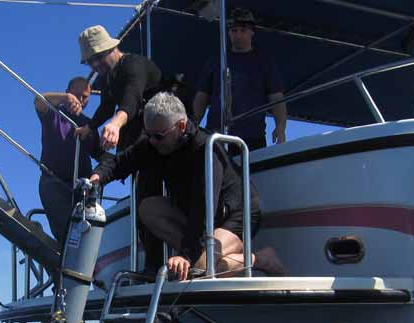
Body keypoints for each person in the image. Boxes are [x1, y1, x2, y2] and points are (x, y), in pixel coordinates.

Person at [89, 92, 284, 280]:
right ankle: (205, 256)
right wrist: (96, 177)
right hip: (197, 217)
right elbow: (120, 162)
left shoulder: (205, 149)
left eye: (158, 136)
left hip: (234, 214)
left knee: (201, 268)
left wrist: (187, 256)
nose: (153, 141)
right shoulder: (154, 142)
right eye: (148, 135)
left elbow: (203, 210)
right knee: (148, 208)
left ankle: (261, 259)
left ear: (181, 126)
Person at [193, 7, 287, 152]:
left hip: (252, 140)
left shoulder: (264, 62)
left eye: (243, 30)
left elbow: (276, 98)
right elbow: (202, 98)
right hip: (215, 138)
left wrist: (280, 127)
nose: (238, 35)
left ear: (252, 31)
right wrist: (193, 126)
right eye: (234, 30)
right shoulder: (215, 61)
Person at [35, 77, 102, 245]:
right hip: (53, 183)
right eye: (75, 95)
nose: (79, 100)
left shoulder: (89, 124)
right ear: (67, 92)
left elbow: (101, 155)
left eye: (84, 96)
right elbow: (38, 100)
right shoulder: (54, 113)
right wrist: (65, 99)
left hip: (82, 190)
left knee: (85, 239)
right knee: (68, 237)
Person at [75, 25, 162, 152]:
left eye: (99, 56)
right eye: (89, 61)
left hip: (162, 123)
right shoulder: (107, 77)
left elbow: (132, 96)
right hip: (137, 124)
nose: (95, 64)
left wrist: (115, 124)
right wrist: (88, 128)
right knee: (121, 156)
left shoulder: (134, 64)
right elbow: (106, 108)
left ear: (113, 48)